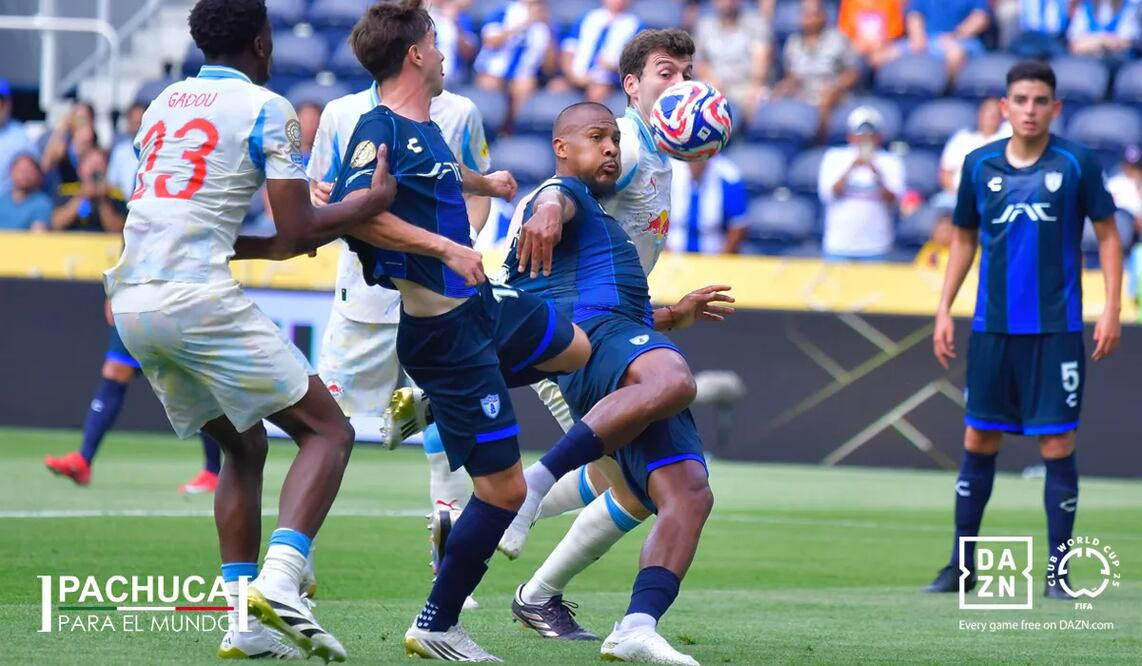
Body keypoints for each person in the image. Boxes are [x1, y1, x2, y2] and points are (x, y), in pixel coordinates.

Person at [104, 0, 398, 660]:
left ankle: (246, 622)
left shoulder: (162, 104)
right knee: (328, 430)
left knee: (242, 448)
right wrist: (367, 205)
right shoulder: (270, 108)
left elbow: (187, 214)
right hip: (195, 297)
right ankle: (282, 584)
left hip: (131, 300)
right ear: (264, 41)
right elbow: (300, 226)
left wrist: (275, 248)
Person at [327, 2, 593, 660]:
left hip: (481, 308)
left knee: (578, 350)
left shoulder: (425, 128)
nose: (446, 54)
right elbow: (354, 214)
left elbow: (442, 173)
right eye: (437, 43)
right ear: (416, 54)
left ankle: (429, 404)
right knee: (502, 490)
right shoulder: (380, 128)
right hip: (446, 332)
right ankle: (438, 622)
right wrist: (444, 250)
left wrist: (488, 182)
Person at [504, 101, 732, 666]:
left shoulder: (601, 221)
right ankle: (535, 483)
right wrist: (548, 206)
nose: (611, 147)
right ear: (562, 148)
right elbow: (553, 199)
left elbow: (608, 294)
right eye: (597, 137)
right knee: (676, 379)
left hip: (623, 339)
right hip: (600, 341)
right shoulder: (567, 193)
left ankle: (635, 627)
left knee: (688, 493)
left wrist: (673, 314)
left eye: (614, 139)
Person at [925, 60, 1123, 598]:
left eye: (1040, 101)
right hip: (992, 330)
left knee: (1057, 443)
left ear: (1055, 108)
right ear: (1004, 106)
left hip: (1056, 330)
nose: (1030, 110)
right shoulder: (978, 164)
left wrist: (1110, 308)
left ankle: (1059, 573)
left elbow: (1108, 235)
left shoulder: (1077, 163)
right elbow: (963, 238)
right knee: (978, 436)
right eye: (1021, 100)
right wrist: (945, 308)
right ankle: (962, 568)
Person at [306, 74, 494, 607]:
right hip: (362, 299)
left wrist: (463, 241)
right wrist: (322, 197)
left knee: (447, 426)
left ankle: (448, 559)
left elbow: (471, 192)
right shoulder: (342, 114)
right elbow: (320, 191)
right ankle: (299, 556)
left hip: (437, 294)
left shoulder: (459, 112)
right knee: (326, 426)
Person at [43, 300, 224, 494]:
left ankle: (213, 471)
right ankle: (83, 461)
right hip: (136, 299)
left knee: (193, 379)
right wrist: (114, 291)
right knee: (115, 370)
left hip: (177, 296)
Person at [817, 106, 905, 261]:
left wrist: (876, 173)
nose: (865, 138)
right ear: (850, 136)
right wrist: (852, 168)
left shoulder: (891, 162)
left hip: (876, 247)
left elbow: (894, 200)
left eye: (870, 134)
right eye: (860, 133)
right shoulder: (834, 158)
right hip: (839, 245)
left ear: (879, 136)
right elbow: (829, 193)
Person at [773, 0, 862, 140]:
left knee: (825, 98)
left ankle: (819, 141)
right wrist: (786, 87)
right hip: (803, 91)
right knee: (775, 95)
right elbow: (790, 75)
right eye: (805, 14)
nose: (808, 18)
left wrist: (836, 85)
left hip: (832, 92)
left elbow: (854, 73)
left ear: (823, 16)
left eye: (813, 14)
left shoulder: (838, 39)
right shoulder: (793, 43)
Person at [473, 0, 558, 119]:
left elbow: (549, 67)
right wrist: (526, 22)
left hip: (524, 77)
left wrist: (548, 31)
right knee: (489, 84)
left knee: (525, 85)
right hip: (493, 72)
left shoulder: (547, 23)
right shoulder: (503, 12)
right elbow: (491, 42)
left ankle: (512, 130)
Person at [694, 0, 774, 122]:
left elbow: (761, 59)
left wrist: (755, 88)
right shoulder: (704, 26)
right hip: (715, 86)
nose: (727, 2)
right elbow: (699, 64)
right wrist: (714, 84)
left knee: (761, 99)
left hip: (746, 86)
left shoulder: (756, 23)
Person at [560, 0, 643, 102]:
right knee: (556, 89)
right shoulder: (586, 18)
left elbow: (635, 64)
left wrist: (613, 66)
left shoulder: (635, 25)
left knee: (596, 94)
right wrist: (572, 76)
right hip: (576, 75)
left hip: (607, 79)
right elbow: (568, 50)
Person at [667, 155, 749, 254]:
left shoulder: (729, 176)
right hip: (669, 257)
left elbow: (738, 226)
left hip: (714, 257)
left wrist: (720, 261)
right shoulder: (665, 172)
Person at [903, 0, 991, 81]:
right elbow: (914, 15)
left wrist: (955, 35)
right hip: (928, 40)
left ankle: (945, 94)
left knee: (954, 54)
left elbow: (980, 18)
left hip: (962, 40)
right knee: (891, 53)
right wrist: (918, 38)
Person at [50, 147, 127, 232]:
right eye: (91, 165)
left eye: (99, 165)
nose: (95, 170)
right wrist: (80, 198)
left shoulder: (116, 195)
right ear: (80, 169)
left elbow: (119, 230)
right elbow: (56, 224)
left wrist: (104, 201)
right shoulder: (65, 192)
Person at [0, 153, 52, 231]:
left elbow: (39, 234)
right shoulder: (2, 200)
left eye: (29, 171)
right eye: (21, 170)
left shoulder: (42, 203)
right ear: (11, 171)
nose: (24, 175)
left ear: (37, 174)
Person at [0, 78, 33, 197]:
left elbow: (36, 177)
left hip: (8, 210)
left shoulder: (21, 137)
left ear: (8, 104)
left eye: (0, 102)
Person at [107, 102, 146, 199]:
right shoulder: (120, 152)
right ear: (128, 124)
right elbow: (111, 183)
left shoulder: (156, 150)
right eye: (134, 123)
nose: (137, 128)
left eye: (140, 123)